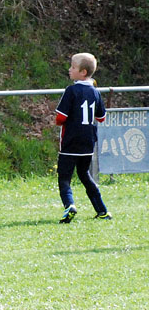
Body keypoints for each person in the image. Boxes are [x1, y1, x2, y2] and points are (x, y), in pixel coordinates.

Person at [55, 52, 111, 222]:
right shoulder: (95, 92)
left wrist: (60, 121)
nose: (69, 69)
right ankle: (102, 210)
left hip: (70, 141)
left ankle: (70, 205)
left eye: (73, 67)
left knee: (64, 177)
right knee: (84, 174)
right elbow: (101, 117)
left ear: (83, 72)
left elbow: (60, 118)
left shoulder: (71, 90)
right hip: (88, 142)